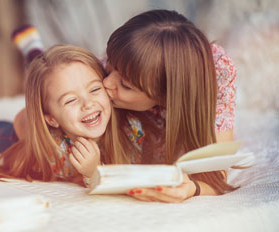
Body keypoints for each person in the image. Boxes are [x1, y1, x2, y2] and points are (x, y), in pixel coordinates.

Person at [0, 45, 141, 186]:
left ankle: (35, 53)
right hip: (23, 132)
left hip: (45, 114)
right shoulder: (52, 147)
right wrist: (92, 171)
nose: (88, 103)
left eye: (95, 89)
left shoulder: (131, 127)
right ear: (51, 118)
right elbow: (101, 184)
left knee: (51, 75)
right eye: (70, 100)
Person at [102, 9, 238, 202]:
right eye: (110, 63)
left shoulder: (217, 73)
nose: (106, 82)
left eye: (125, 85)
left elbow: (216, 175)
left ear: (166, 96)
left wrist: (192, 189)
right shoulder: (122, 62)